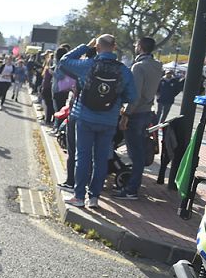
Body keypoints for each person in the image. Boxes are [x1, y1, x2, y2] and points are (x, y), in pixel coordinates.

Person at [58, 35, 137, 208]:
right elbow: (132, 96)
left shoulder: (89, 65)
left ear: (98, 47)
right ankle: (94, 197)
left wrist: (86, 46)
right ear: (114, 47)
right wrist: (115, 99)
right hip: (109, 120)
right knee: (101, 159)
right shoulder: (123, 70)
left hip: (85, 117)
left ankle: (79, 196)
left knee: (82, 157)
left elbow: (64, 61)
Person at [114, 36, 163, 200]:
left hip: (135, 114)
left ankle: (131, 189)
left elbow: (134, 95)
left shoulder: (139, 67)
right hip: (147, 111)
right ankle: (132, 186)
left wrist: (125, 115)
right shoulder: (157, 66)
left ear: (141, 47)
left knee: (136, 154)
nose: (135, 46)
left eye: (136, 44)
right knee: (139, 152)